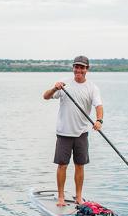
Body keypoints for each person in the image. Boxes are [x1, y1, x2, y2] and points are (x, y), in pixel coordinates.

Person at [42, 55, 103, 207]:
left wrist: (99, 120)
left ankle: (79, 196)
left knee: (80, 165)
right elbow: (45, 97)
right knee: (62, 165)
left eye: (82, 67)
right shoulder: (64, 84)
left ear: (87, 69)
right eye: (76, 67)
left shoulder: (92, 88)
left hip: (81, 133)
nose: (78, 70)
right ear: (73, 68)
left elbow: (98, 106)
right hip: (64, 133)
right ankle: (61, 196)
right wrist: (54, 88)